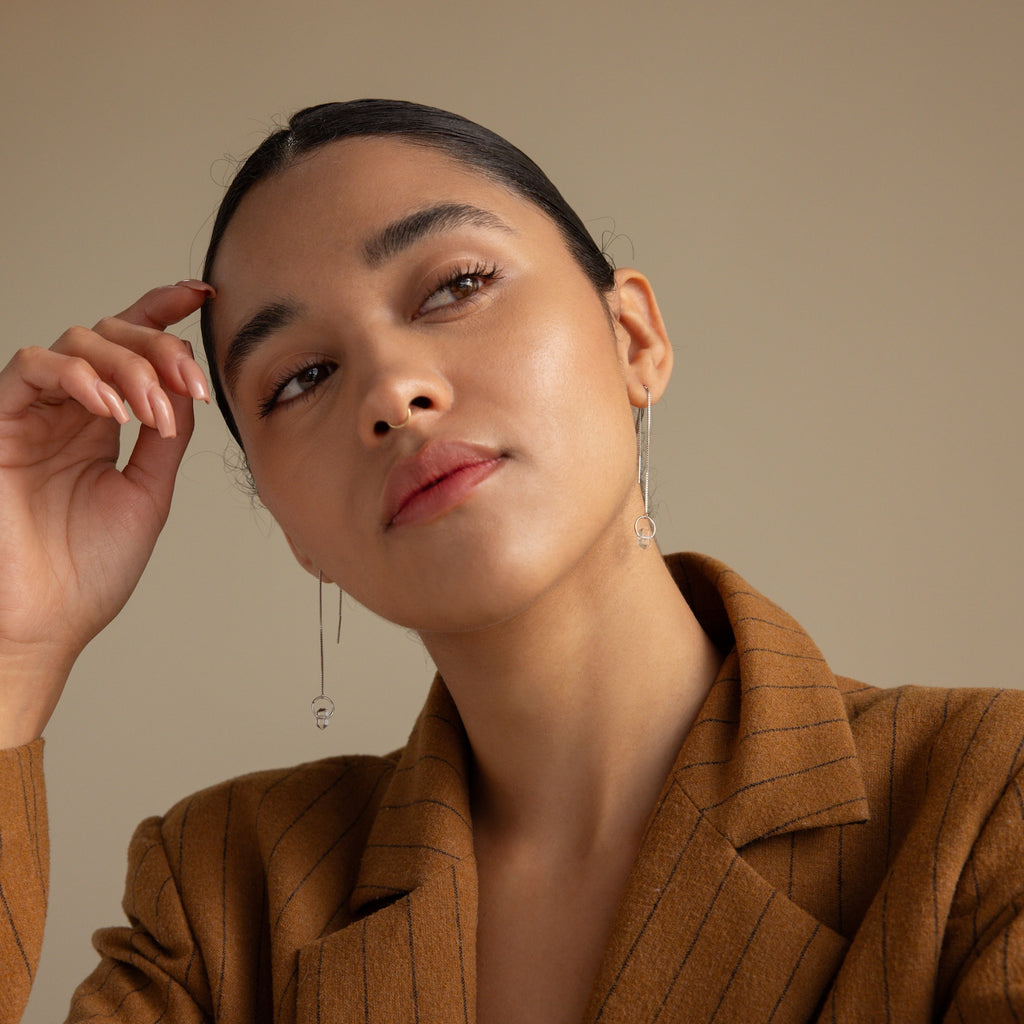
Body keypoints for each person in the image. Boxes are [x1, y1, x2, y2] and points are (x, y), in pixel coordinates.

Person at [0, 99, 1020, 1024]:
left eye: (454, 285)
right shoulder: (227, 894)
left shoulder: (983, 802)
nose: (393, 390)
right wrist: (13, 653)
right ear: (289, 525)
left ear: (632, 337)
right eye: (303, 375)